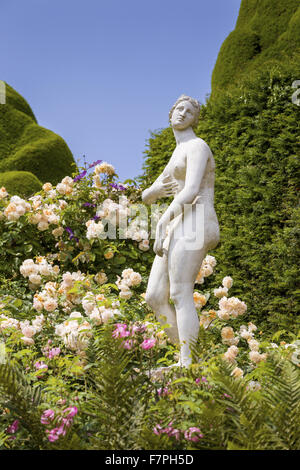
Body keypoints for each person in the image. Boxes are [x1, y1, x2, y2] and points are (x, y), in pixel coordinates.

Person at [142, 94, 220, 367]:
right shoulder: (177, 152)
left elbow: (190, 189)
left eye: (188, 112)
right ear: (171, 112)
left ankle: (188, 362)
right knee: (154, 296)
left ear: (194, 120)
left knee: (179, 292)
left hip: (197, 219)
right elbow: (147, 196)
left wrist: (162, 221)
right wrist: (154, 191)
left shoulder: (197, 146)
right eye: (179, 109)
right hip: (180, 222)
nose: (182, 114)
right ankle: (191, 355)